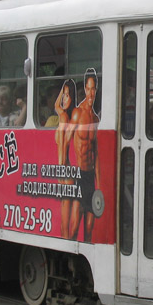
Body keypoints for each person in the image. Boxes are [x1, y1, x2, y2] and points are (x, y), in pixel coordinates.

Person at [68, 69, 100, 242]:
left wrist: (99, 183)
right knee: (74, 227)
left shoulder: (95, 119)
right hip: (78, 175)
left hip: (90, 177)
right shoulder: (77, 114)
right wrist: (65, 169)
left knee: (89, 228)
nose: (91, 93)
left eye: (94, 89)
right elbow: (65, 140)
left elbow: (97, 155)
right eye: (88, 89)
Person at [53, 80, 77, 239]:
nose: (63, 99)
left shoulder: (65, 118)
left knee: (65, 224)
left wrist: (63, 89)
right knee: (63, 224)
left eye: (67, 96)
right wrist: (63, 89)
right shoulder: (66, 118)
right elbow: (57, 105)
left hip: (66, 175)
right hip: (62, 174)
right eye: (63, 96)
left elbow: (56, 106)